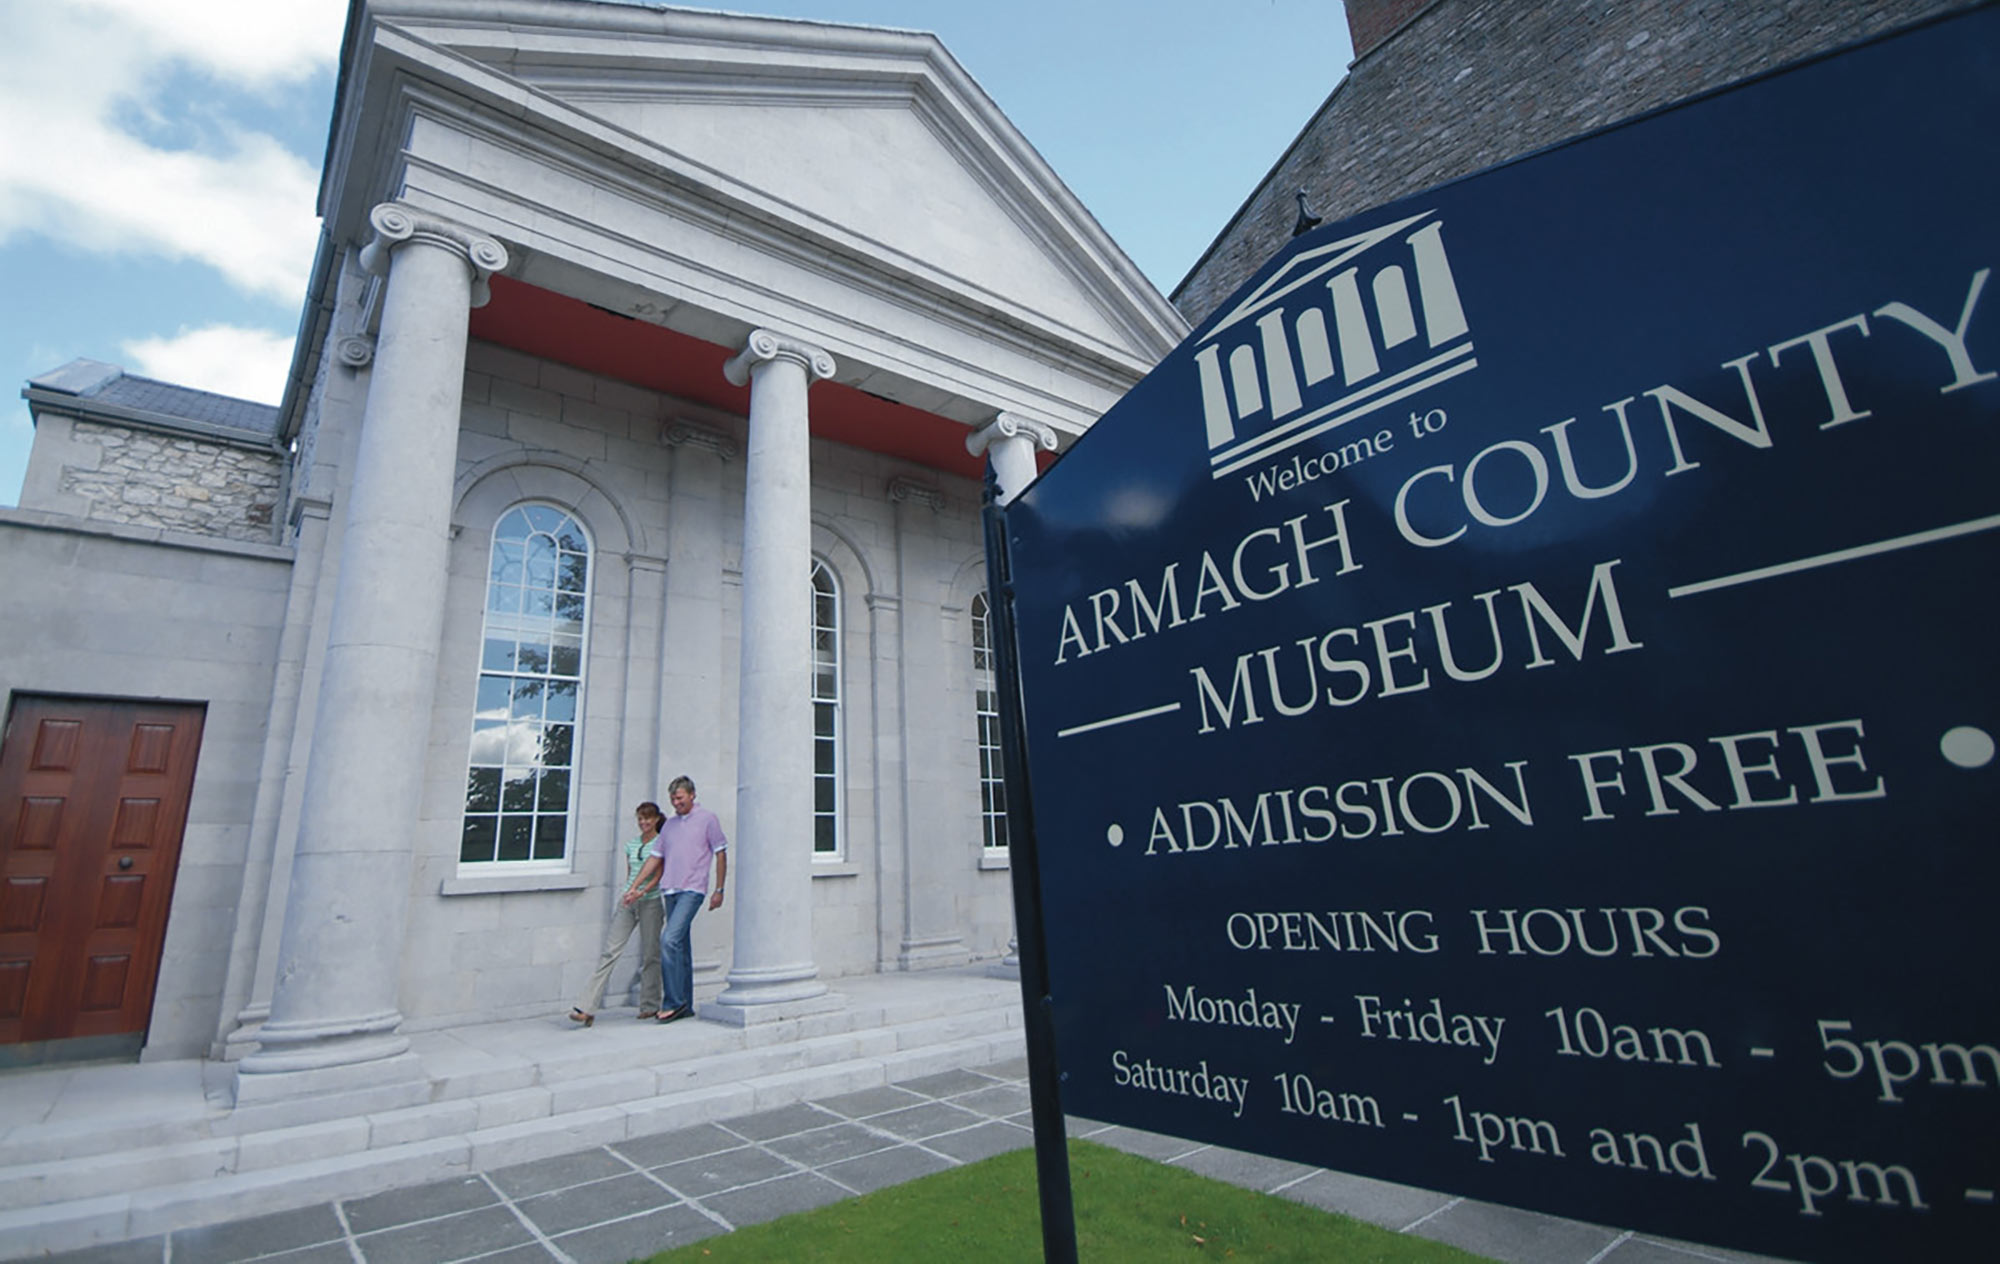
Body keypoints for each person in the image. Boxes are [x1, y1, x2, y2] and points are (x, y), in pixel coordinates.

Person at [623, 775, 726, 1023]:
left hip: (693, 889)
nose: (676, 803)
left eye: (679, 798)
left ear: (692, 795)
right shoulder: (668, 826)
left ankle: (673, 1002)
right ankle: (686, 1004)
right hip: (669, 889)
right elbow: (654, 859)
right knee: (680, 946)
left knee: (668, 939)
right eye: (672, 799)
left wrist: (719, 889)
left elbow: (721, 853)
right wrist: (635, 887)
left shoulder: (708, 819)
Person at [569, 802, 665, 1025]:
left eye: (647, 818)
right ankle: (587, 1006)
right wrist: (629, 892)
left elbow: (659, 874)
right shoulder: (631, 845)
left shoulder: (661, 843)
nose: (643, 823)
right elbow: (631, 872)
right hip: (628, 901)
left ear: (656, 819)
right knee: (610, 951)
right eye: (640, 818)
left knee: (651, 953)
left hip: (650, 901)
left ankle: (650, 1005)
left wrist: (641, 892)